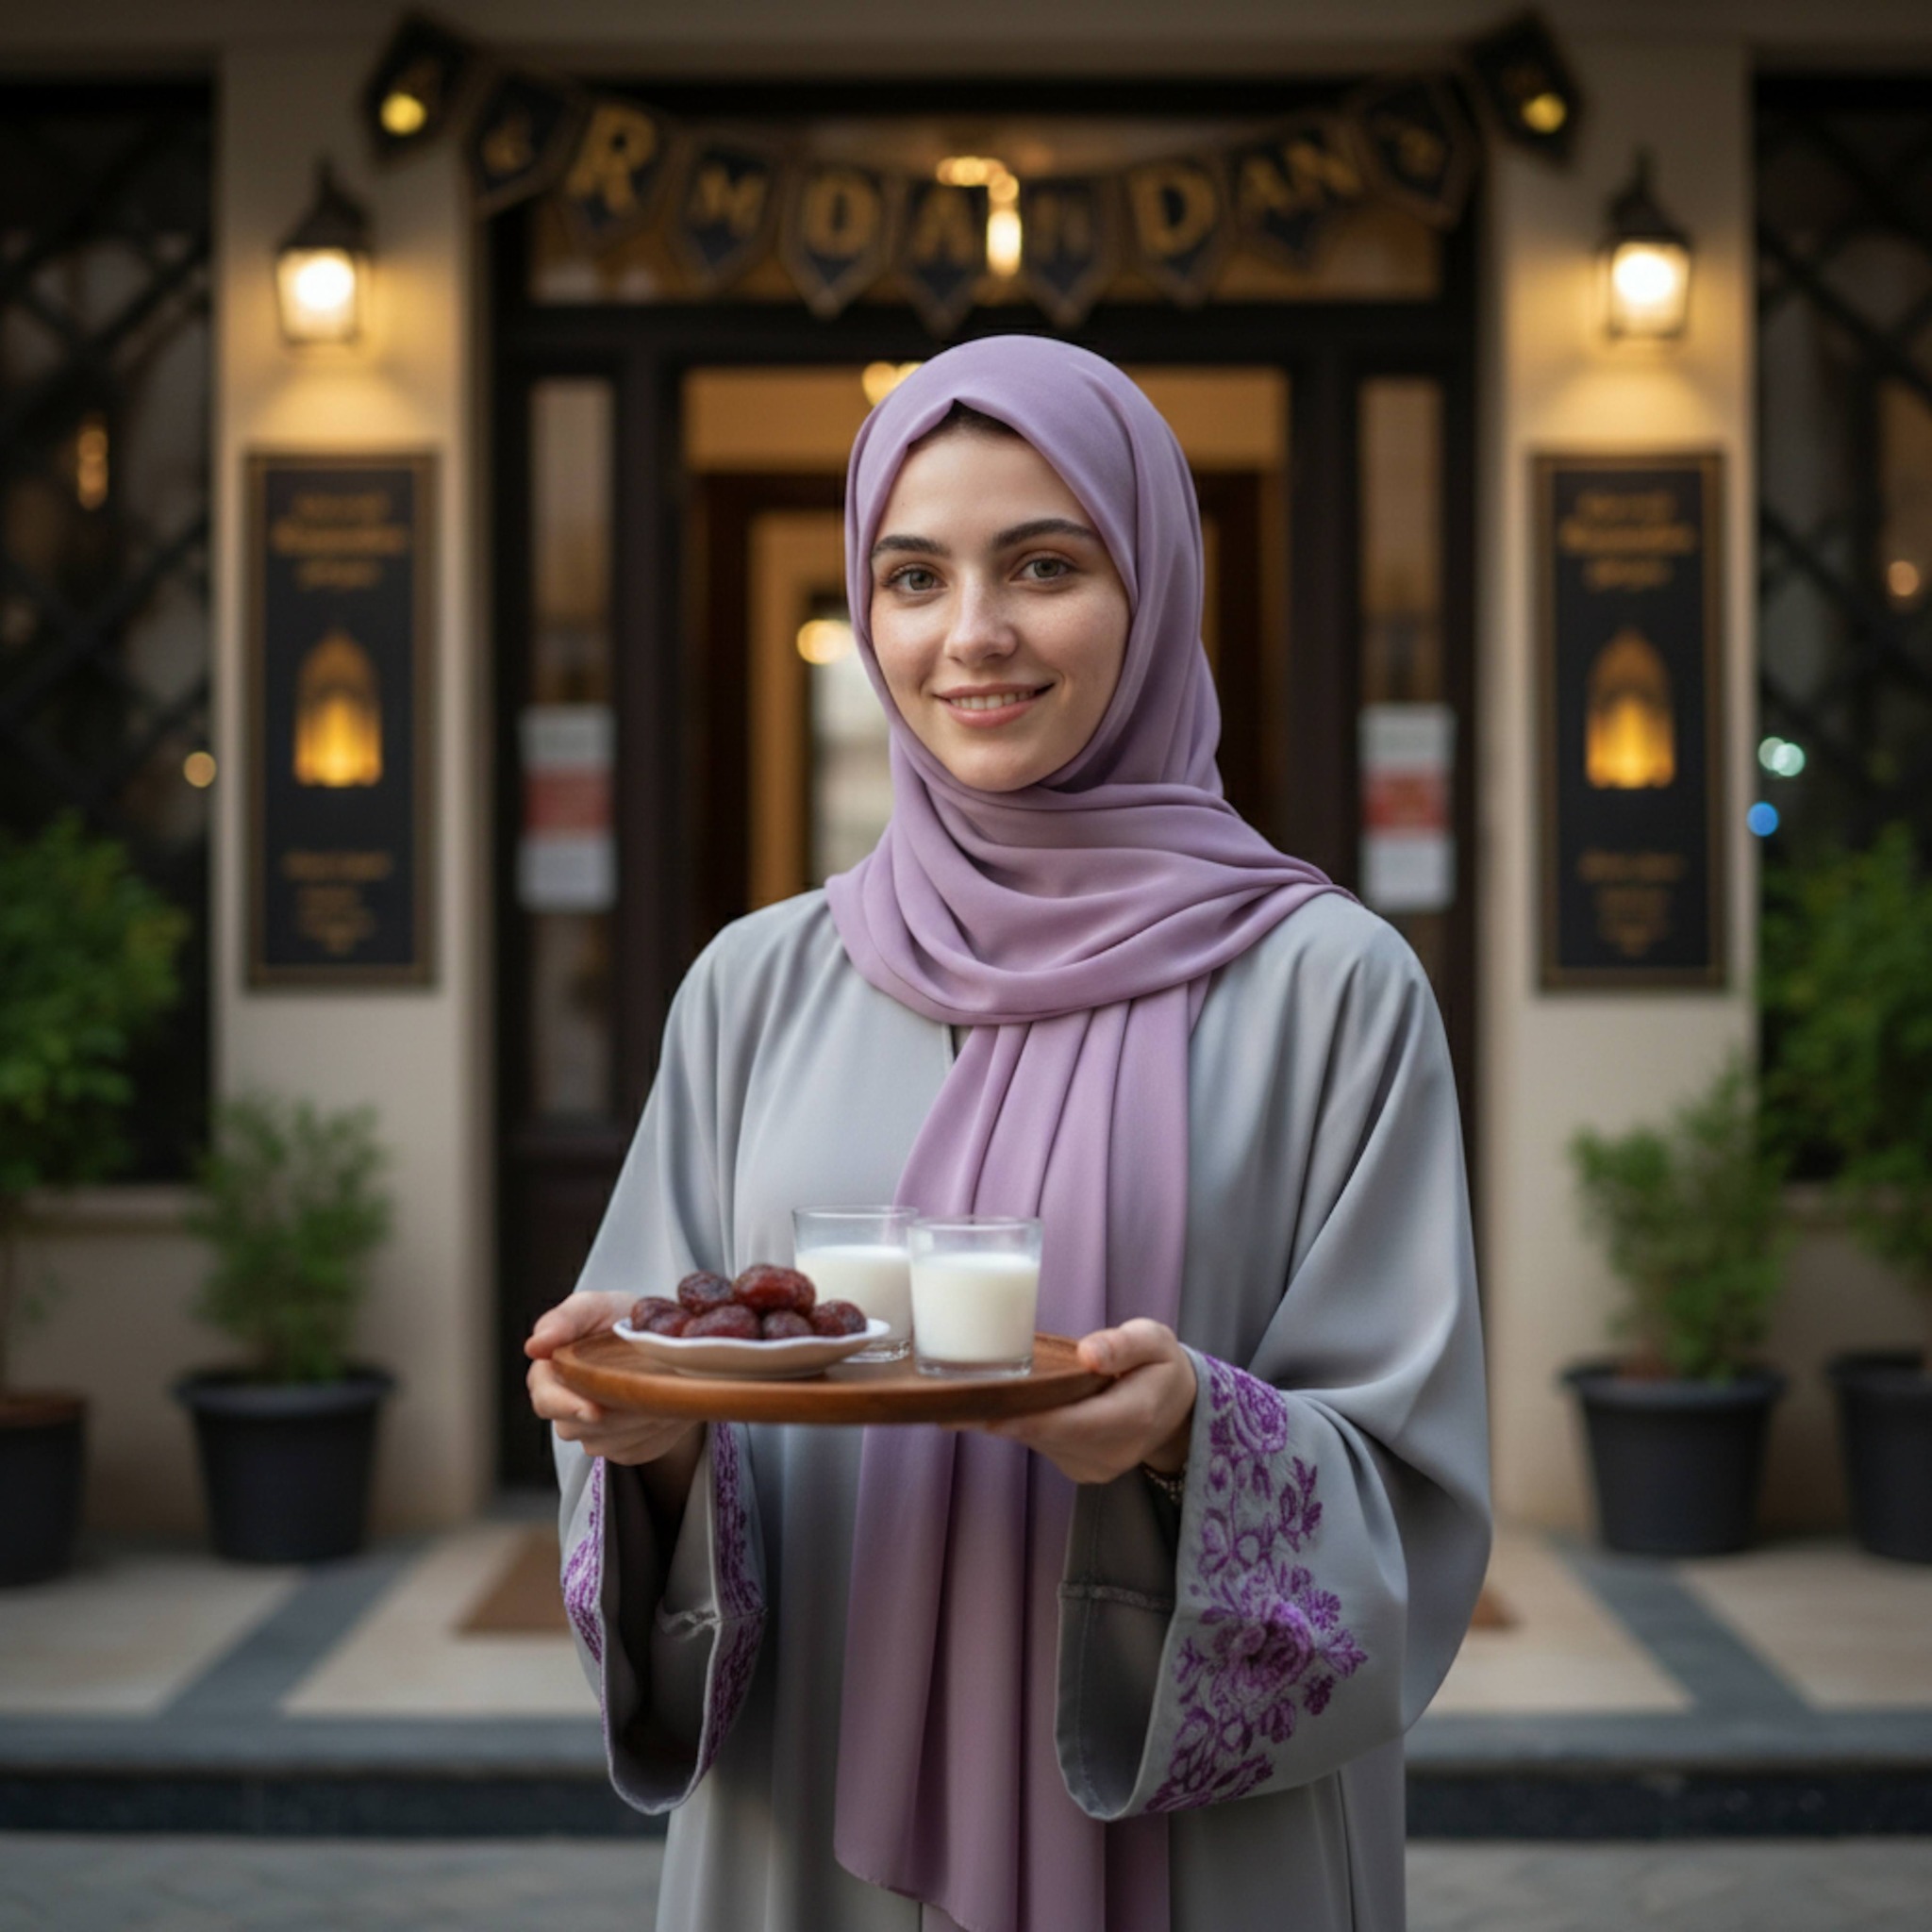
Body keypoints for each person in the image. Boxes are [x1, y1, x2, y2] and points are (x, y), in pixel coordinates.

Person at [525, 334, 1491, 1932]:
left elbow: (1411, 1498)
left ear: (1158, 587)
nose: (970, 635)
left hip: (1188, 1850)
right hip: (808, 1807)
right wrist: (642, 1443)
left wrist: (1191, 1438)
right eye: (910, 578)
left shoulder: (1330, 989)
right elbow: (662, 1380)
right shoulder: (759, 988)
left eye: (1043, 564)